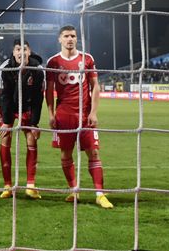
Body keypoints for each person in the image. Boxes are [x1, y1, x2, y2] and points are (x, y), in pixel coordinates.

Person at [46, 25, 113, 209]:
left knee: (94, 152)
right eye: (66, 36)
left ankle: (100, 194)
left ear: (77, 39)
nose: (70, 39)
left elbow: (95, 86)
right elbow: (49, 90)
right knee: (65, 153)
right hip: (64, 115)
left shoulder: (87, 59)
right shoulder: (52, 62)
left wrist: (94, 112)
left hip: (85, 116)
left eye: (73, 36)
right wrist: (51, 114)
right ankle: (74, 190)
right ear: (59, 39)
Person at [0, 39, 45, 199]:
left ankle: (30, 185)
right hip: (8, 106)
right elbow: (4, 97)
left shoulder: (38, 70)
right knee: (5, 139)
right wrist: (6, 120)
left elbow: (39, 98)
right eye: (18, 49)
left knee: (31, 139)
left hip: (28, 107)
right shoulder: (5, 68)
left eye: (24, 49)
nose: (21, 52)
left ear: (29, 52)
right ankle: (7, 186)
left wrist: (34, 123)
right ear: (13, 52)